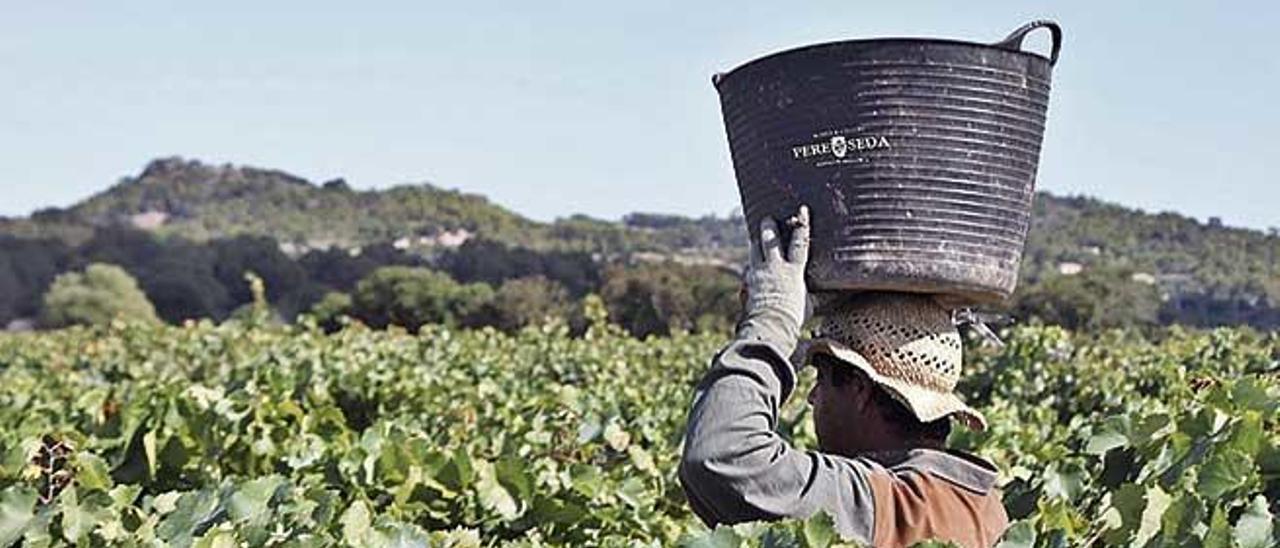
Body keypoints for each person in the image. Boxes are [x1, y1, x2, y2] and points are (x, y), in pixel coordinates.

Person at [678, 205, 1009, 547]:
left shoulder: (879, 504)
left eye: (821, 380)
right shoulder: (986, 509)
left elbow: (720, 457)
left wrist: (772, 320)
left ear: (860, 389)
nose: (811, 397)